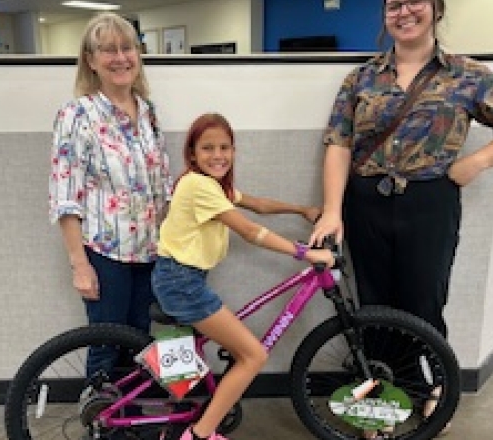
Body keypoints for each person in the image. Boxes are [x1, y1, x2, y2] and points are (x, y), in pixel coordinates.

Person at [309, 0, 493, 437]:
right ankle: (377, 398)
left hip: (430, 203)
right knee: (371, 304)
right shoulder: (362, 78)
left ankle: (429, 388)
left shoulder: (467, 74)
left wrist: (477, 162)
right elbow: (338, 144)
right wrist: (333, 210)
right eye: (394, 4)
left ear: (436, 9)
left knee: (425, 300)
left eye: (415, 2)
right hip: (366, 200)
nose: (403, 12)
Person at [152, 113, 334, 440]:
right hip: (182, 283)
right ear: (192, 154)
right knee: (254, 355)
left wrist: (302, 210)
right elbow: (250, 230)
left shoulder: (213, 185)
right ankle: (200, 434)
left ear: (234, 151)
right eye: (207, 148)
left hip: (180, 278)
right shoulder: (199, 185)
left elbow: (258, 205)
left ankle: (182, 418)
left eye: (225, 147)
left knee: (216, 351)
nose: (218, 155)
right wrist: (307, 253)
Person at [49, 13, 172, 378]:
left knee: (139, 345)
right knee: (105, 347)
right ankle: (100, 427)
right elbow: (64, 195)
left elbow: (162, 184)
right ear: (91, 60)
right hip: (105, 255)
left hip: (149, 252)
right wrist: (79, 264)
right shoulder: (77, 115)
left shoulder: (148, 111)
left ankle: (130, 424)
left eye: (127, 47)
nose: (121, 58)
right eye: (108, 50)